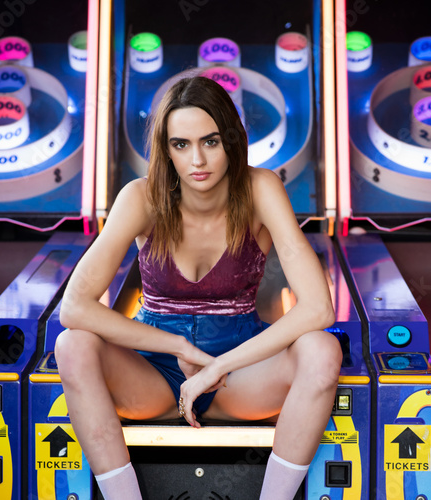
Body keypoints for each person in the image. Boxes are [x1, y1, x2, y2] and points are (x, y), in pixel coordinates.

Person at [55, 75, 342, 500]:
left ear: (231, 139)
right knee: (72, 346)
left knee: (322, 350)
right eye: (180, 144)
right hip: (153, 375)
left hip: (239, 377)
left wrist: (216, 367)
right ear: (165, 149)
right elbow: (75, 307)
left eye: (210, 141)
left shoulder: (262, 188)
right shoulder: (141, 197)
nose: (197, 161)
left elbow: (318, 309)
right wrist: (180, 348)